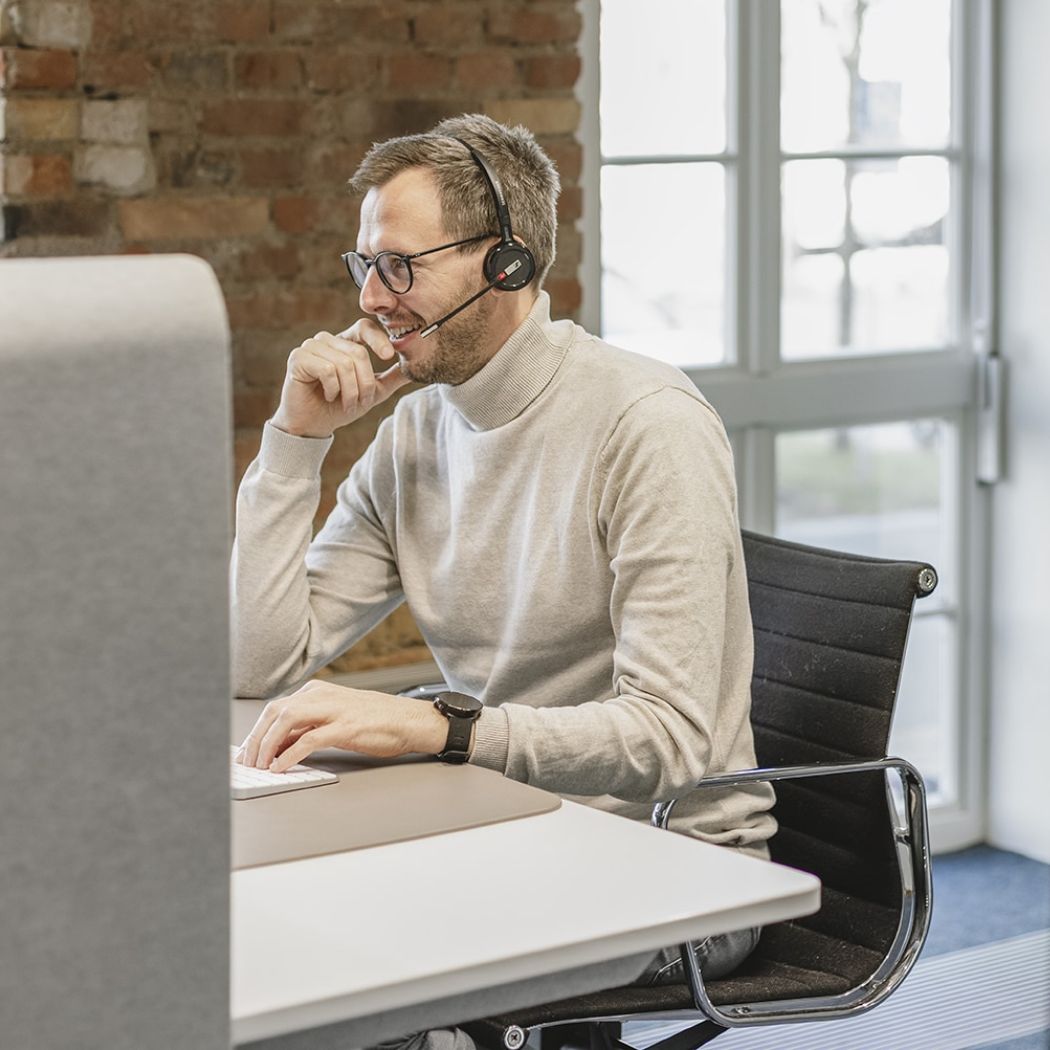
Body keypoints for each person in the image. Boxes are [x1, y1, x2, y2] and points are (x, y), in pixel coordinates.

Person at [231, 113, 776, 1044]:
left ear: (508, 265)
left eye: (400, 265)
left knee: (341, 978)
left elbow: (674, 740)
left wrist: (444, 727)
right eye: (363, 265)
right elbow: (254, 661)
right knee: (261, 941)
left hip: (673, 866)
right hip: (507, 823)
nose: (371, 300)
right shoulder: (416, 428)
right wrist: (294, 447)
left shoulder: (646, 424)